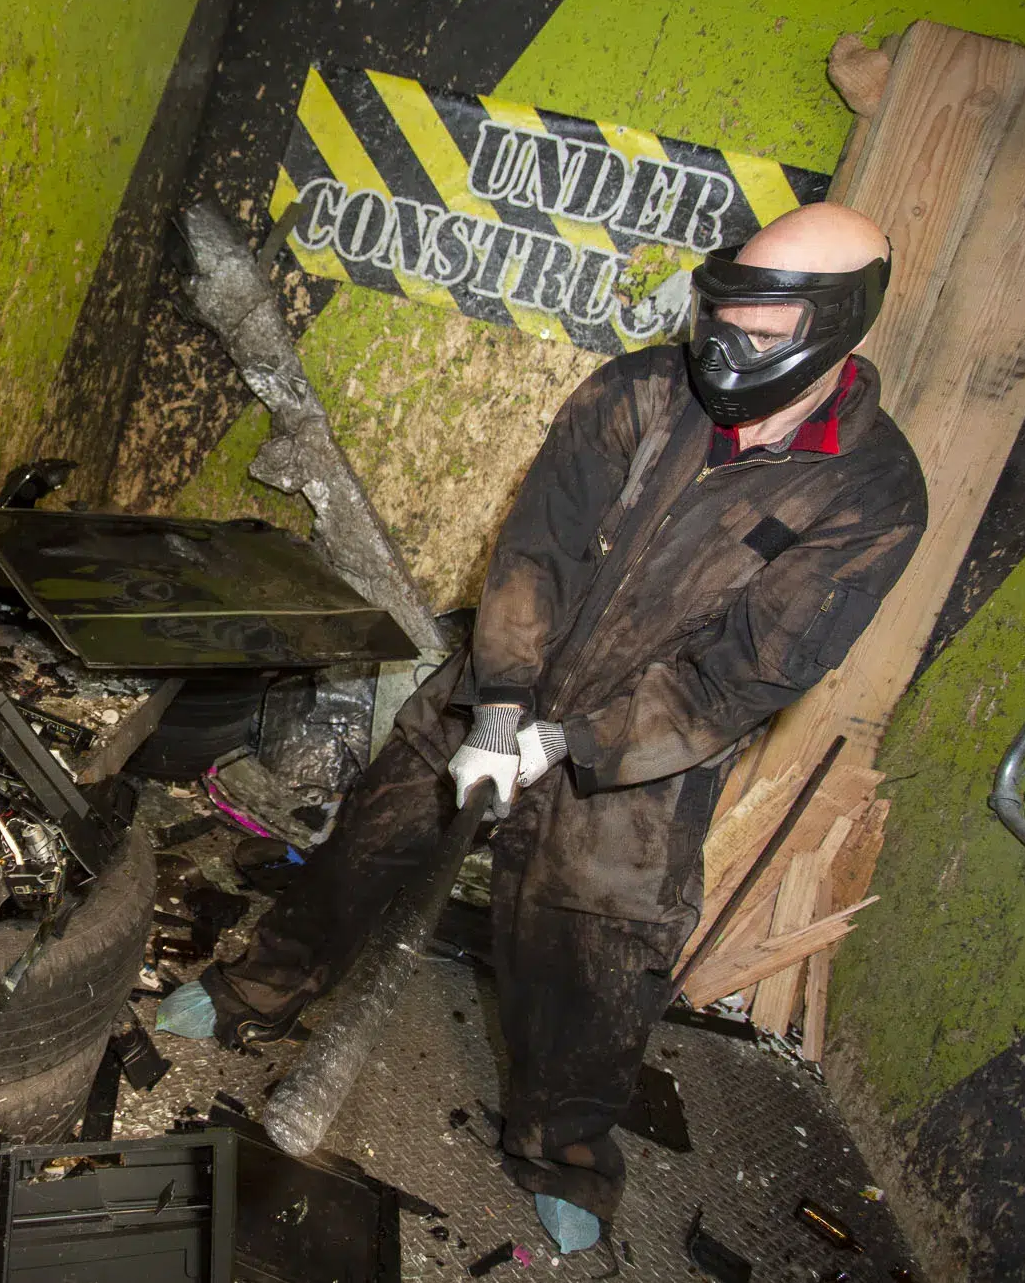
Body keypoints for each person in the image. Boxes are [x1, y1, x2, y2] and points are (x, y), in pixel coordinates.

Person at [157, 202, 927, 1249]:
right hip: (504, 685)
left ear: (838, 325)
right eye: (723, 307)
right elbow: (533, 553)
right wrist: (503, 707)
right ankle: (258, 982)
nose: (726, 341)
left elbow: (746, 673)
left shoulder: (873, 492)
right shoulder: (642, 392)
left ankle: (562, 1152)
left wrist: (567, 745)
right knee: (372, 836)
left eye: (762, 323)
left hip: (644, 748)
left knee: (594, 952)